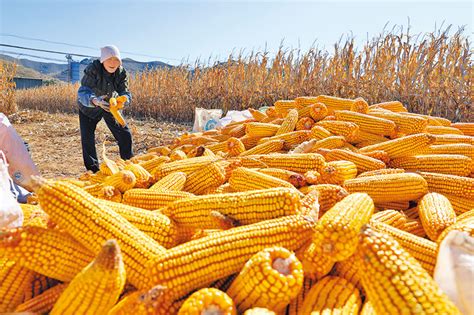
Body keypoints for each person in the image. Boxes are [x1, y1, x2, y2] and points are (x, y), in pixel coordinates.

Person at [77, 45, 133, 173]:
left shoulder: (121, 73)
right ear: (103, 60)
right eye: (110, 59)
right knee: (88, 138)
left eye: (116, 60)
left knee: (125, 134)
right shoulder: (93, 70)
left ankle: (128, 163)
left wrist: (124, 100)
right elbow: (83, 91)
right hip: (89, 107)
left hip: (109, 106)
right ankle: (93, 170)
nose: (113, 63)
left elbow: (125, 92)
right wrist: (95, 100)